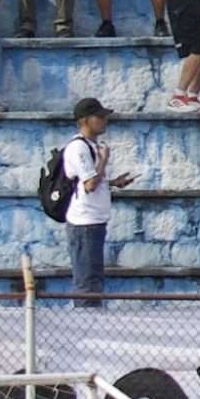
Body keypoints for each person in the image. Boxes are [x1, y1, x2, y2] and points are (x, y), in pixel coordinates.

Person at [55, 99, 131, 305]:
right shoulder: (78, 148)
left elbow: (90, 183)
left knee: (94, 281)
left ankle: (91, 322)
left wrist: (114, 183)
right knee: (87, 284)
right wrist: (104, 161)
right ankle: (85, 325)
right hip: (84, 223)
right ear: (84, 120)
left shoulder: (90, 146)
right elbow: (89, 184)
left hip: (94, 221)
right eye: (99, 117)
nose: (104, 120)